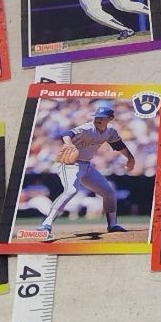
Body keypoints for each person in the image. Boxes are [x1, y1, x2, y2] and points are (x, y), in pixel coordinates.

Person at [39, 101, 135, 236]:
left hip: (87, 165)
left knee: (109, 193)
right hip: (70, 165)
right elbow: (67, 133)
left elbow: (119, 145)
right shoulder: (88, 128)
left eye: (102, 117)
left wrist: (130, 158)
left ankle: (112, 225)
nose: (98, 119)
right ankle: (46, 224)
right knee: (71, 190)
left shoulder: (110, 131)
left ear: (110, 118)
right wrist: (68, 143)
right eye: (97, 117)